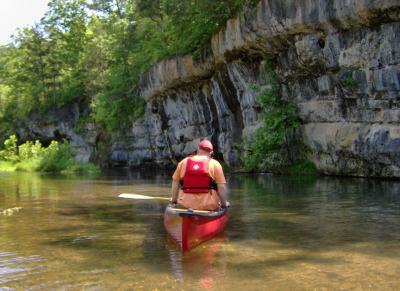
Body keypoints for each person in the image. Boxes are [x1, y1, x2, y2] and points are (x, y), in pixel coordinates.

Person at [170, 139, 229, 211]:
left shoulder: (183, 162)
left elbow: (175, 182)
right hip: (208, 206)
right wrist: (224, 204)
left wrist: (174, 200)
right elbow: (221, 187)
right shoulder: (215, 164)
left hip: (185, 204)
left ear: (198, 149)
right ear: (211, 152)